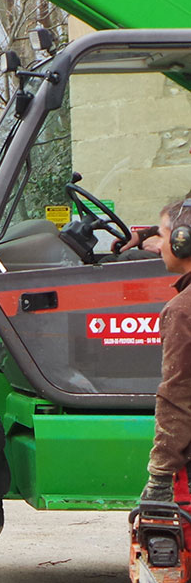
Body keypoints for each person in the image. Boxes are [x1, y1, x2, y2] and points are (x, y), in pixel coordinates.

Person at [142, 198, 191, 503]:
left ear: (182, 241)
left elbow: (178, 395)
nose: (157, 245)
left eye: (161, 235)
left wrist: (159, 476)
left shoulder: (182, 310)